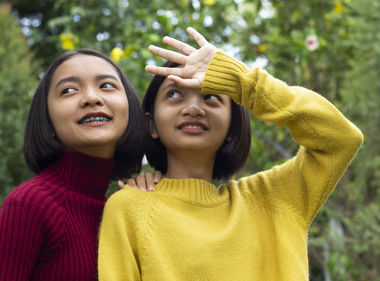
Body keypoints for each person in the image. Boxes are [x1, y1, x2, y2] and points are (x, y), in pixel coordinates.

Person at [98, 27, 363, 280]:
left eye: (211, 97)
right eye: (175, 94)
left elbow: (340, 138)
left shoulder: (276, 200)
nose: (193, 108)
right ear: (152, 124)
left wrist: (243, 82)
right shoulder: (128, 209)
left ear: (231, 128)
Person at [0, 48, 150, 281]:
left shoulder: (119, 208)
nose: (91, 97)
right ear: (47, 122)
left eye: (106, 86)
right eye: (69, 90)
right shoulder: (30, 204)